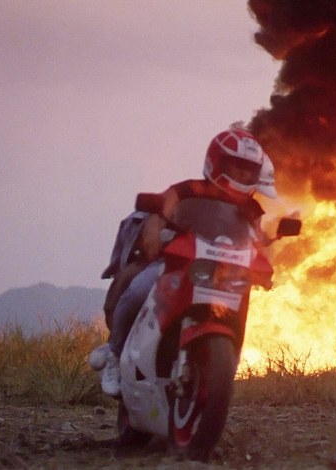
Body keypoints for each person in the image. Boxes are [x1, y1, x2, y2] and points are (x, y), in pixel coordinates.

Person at [97, 126, 277, 397]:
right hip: (178, 264)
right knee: (138, 290)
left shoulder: (251, 209)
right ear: (217, 162)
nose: (242, 174)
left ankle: (218, 365)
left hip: (223, 274)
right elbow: (157, 218)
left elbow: (256, 241)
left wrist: (262, 265)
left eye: (249, 170)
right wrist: (154, 239)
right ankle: (113, 352)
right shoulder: (186, 190)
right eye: (237, 166)